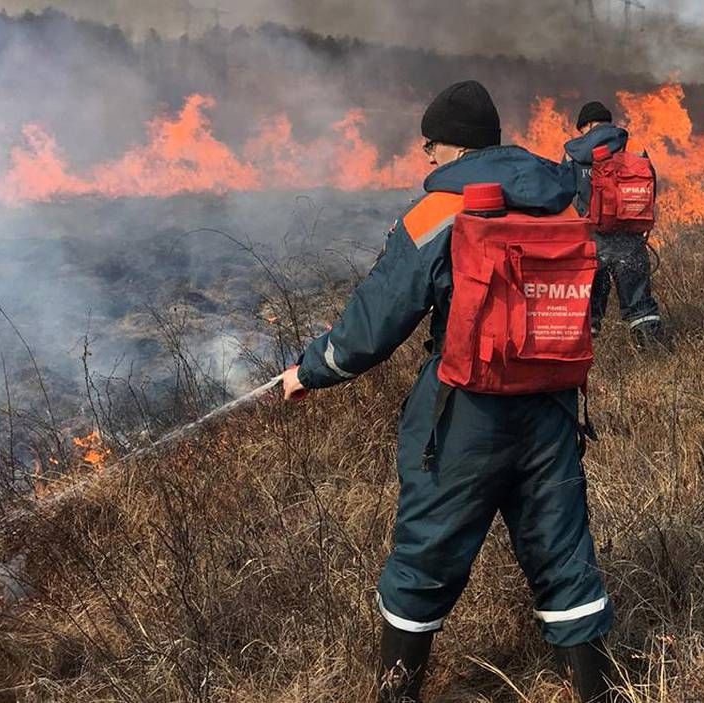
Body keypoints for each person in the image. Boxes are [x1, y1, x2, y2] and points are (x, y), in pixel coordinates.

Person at [280, 80, 618, 703]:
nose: (426, 161)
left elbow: (373, 323)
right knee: (564, 552)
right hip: (551, 408)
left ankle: (397, 693)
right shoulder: (562, 202)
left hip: (466, 412)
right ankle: (600, 693)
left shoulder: (440, 211)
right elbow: (592, 296)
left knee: (425, 555)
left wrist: (312, 369)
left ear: (450, 146)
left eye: (429, 148)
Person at [562, 101, 665, 346]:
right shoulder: (633, 148)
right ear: (607, 122)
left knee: (587, 312)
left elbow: (563, 192)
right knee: (641, 308)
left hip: (590, 241)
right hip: (630, 238)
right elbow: (650, 190)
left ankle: (585, 366)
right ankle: (654, 361)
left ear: (586, 125)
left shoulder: (573, 153)